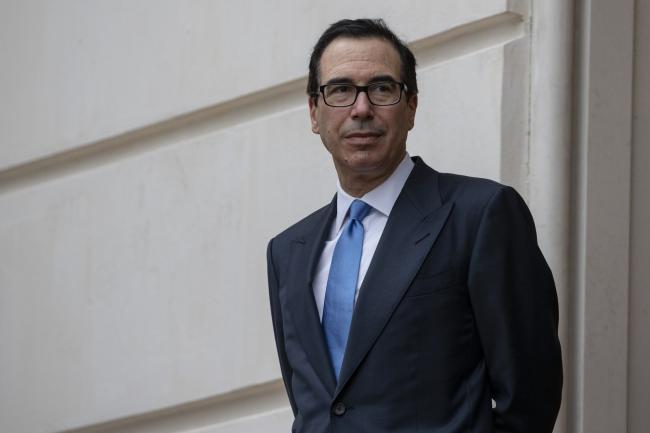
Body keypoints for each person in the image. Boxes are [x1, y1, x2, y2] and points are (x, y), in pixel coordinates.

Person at [266, 18, 562, 433]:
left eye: (382, 89)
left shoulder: (481, 216)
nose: (361, 108)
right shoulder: (287, 252)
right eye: (340, 90)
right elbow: (315, 408)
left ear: (412, 106)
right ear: (315, 112)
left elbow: (530, 400)